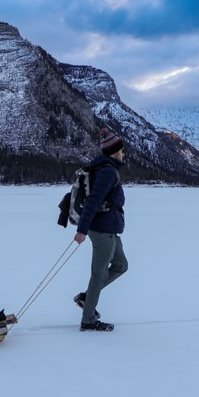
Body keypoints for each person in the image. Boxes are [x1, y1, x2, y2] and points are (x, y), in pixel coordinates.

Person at [72, 127, 128, 331]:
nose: (124, 154)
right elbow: (93, 202)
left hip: (111, 229)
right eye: (122, 151)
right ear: (115, 152)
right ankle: (88, 320)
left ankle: (87, 297)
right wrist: (82, 230)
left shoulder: (106, 169)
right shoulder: (107, 172)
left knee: (121, 265)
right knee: (98, 274)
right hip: (102, 231)